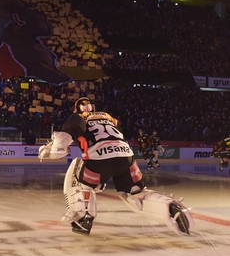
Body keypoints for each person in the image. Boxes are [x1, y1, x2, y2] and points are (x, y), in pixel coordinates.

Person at [39, 97, 193, 236]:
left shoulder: (79, 118)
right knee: (137, 192)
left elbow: (64, 140)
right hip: (126, 157)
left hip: (98, 159)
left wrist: (50, 150)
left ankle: (84, 217)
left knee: (78, 175)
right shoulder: (109, 118)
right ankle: (168, 206)